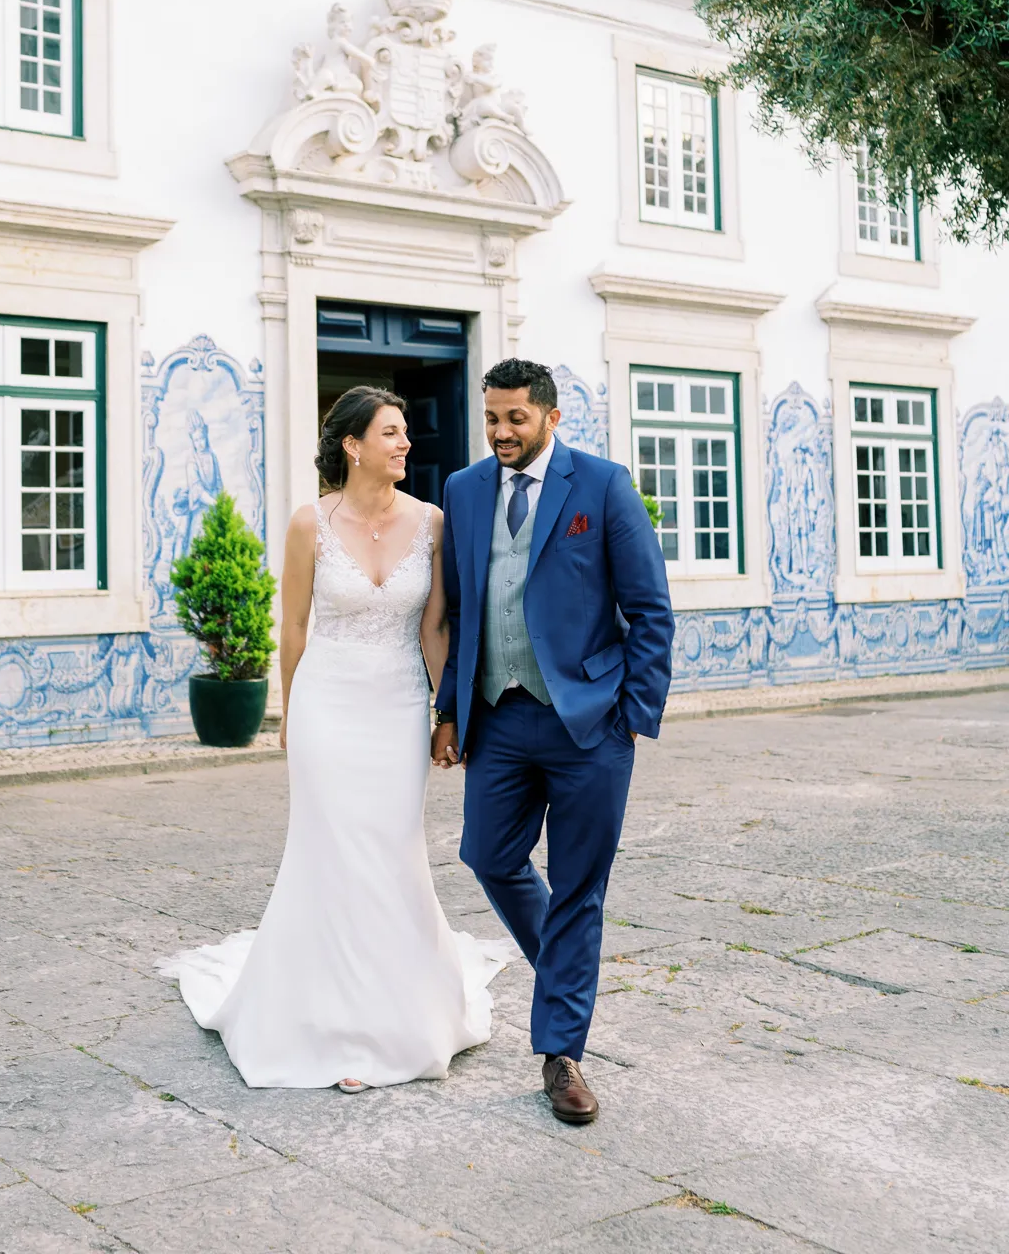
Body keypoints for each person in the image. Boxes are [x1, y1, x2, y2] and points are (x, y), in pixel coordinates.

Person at [159, 385, 515, 1089]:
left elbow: (433, 628)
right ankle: (333, 1022)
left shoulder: (435, 522)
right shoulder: (307, 525)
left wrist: (448, 714)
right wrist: (291, 712)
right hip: (328, 702)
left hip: (399, 706)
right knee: (332, 848)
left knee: (390, 847)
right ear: (354, 446)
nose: (405, 443)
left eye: (406, 431)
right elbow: (292, 628)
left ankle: (399, 1011)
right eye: (391, 432)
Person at [432, 359, 674, 1125]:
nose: (501, 432)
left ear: (549, 415)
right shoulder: (464, 491)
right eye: (492, 418)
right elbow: (463, 613)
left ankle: (561, 1054)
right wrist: (450, 710)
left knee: (578, 886)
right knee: (487, 855)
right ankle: (566, 972)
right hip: (499, 717)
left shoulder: (601, 486)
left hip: (588, 722)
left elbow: (650, 608)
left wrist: (633, 711)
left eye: (516, 419)